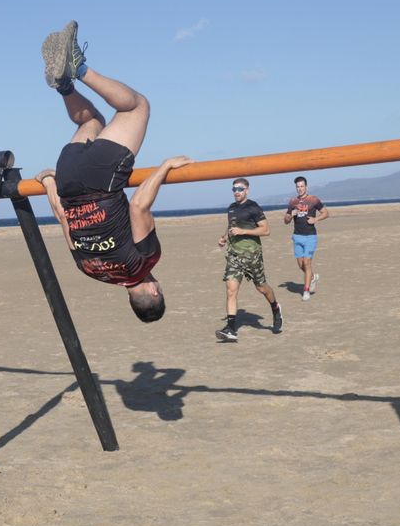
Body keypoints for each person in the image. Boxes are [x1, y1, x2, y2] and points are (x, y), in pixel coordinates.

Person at [35, 21, 192, 323]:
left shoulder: (145, 263)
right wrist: (49, 181)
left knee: (137, 107)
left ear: (155, 291)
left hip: (100, 178)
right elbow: (64, 220)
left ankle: (78, 69)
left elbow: (139, 205)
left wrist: (165, 167)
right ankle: (64, 86)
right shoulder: (91, 271)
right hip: (66, 179)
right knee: (90, 121)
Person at [216, 178, 282, 342]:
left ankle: (275, 307)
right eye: (234, 189)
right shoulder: (231, 208)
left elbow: (266, 230)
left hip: (252, 255)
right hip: (234, 255)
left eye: (240, 188)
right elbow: (231, 226)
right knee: (231, 289)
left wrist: (243, 231)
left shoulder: (253, 207)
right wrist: (224, 238)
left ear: (247, 190)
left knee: (261, 288)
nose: (237, 192)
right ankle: (231, 329)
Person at [284, 176, 329, 301]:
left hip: (310, 236)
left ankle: (306, 290)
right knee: (300, 264)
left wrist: (316, 219)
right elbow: (286, 221)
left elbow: (326, 213)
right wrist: (290, 215)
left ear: (306, 187)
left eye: (302, 186)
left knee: (307, 263)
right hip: (297, 236)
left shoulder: (313, 200)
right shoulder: (293, 202)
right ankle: (313, 277)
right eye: (297, 187)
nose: (300, 189)